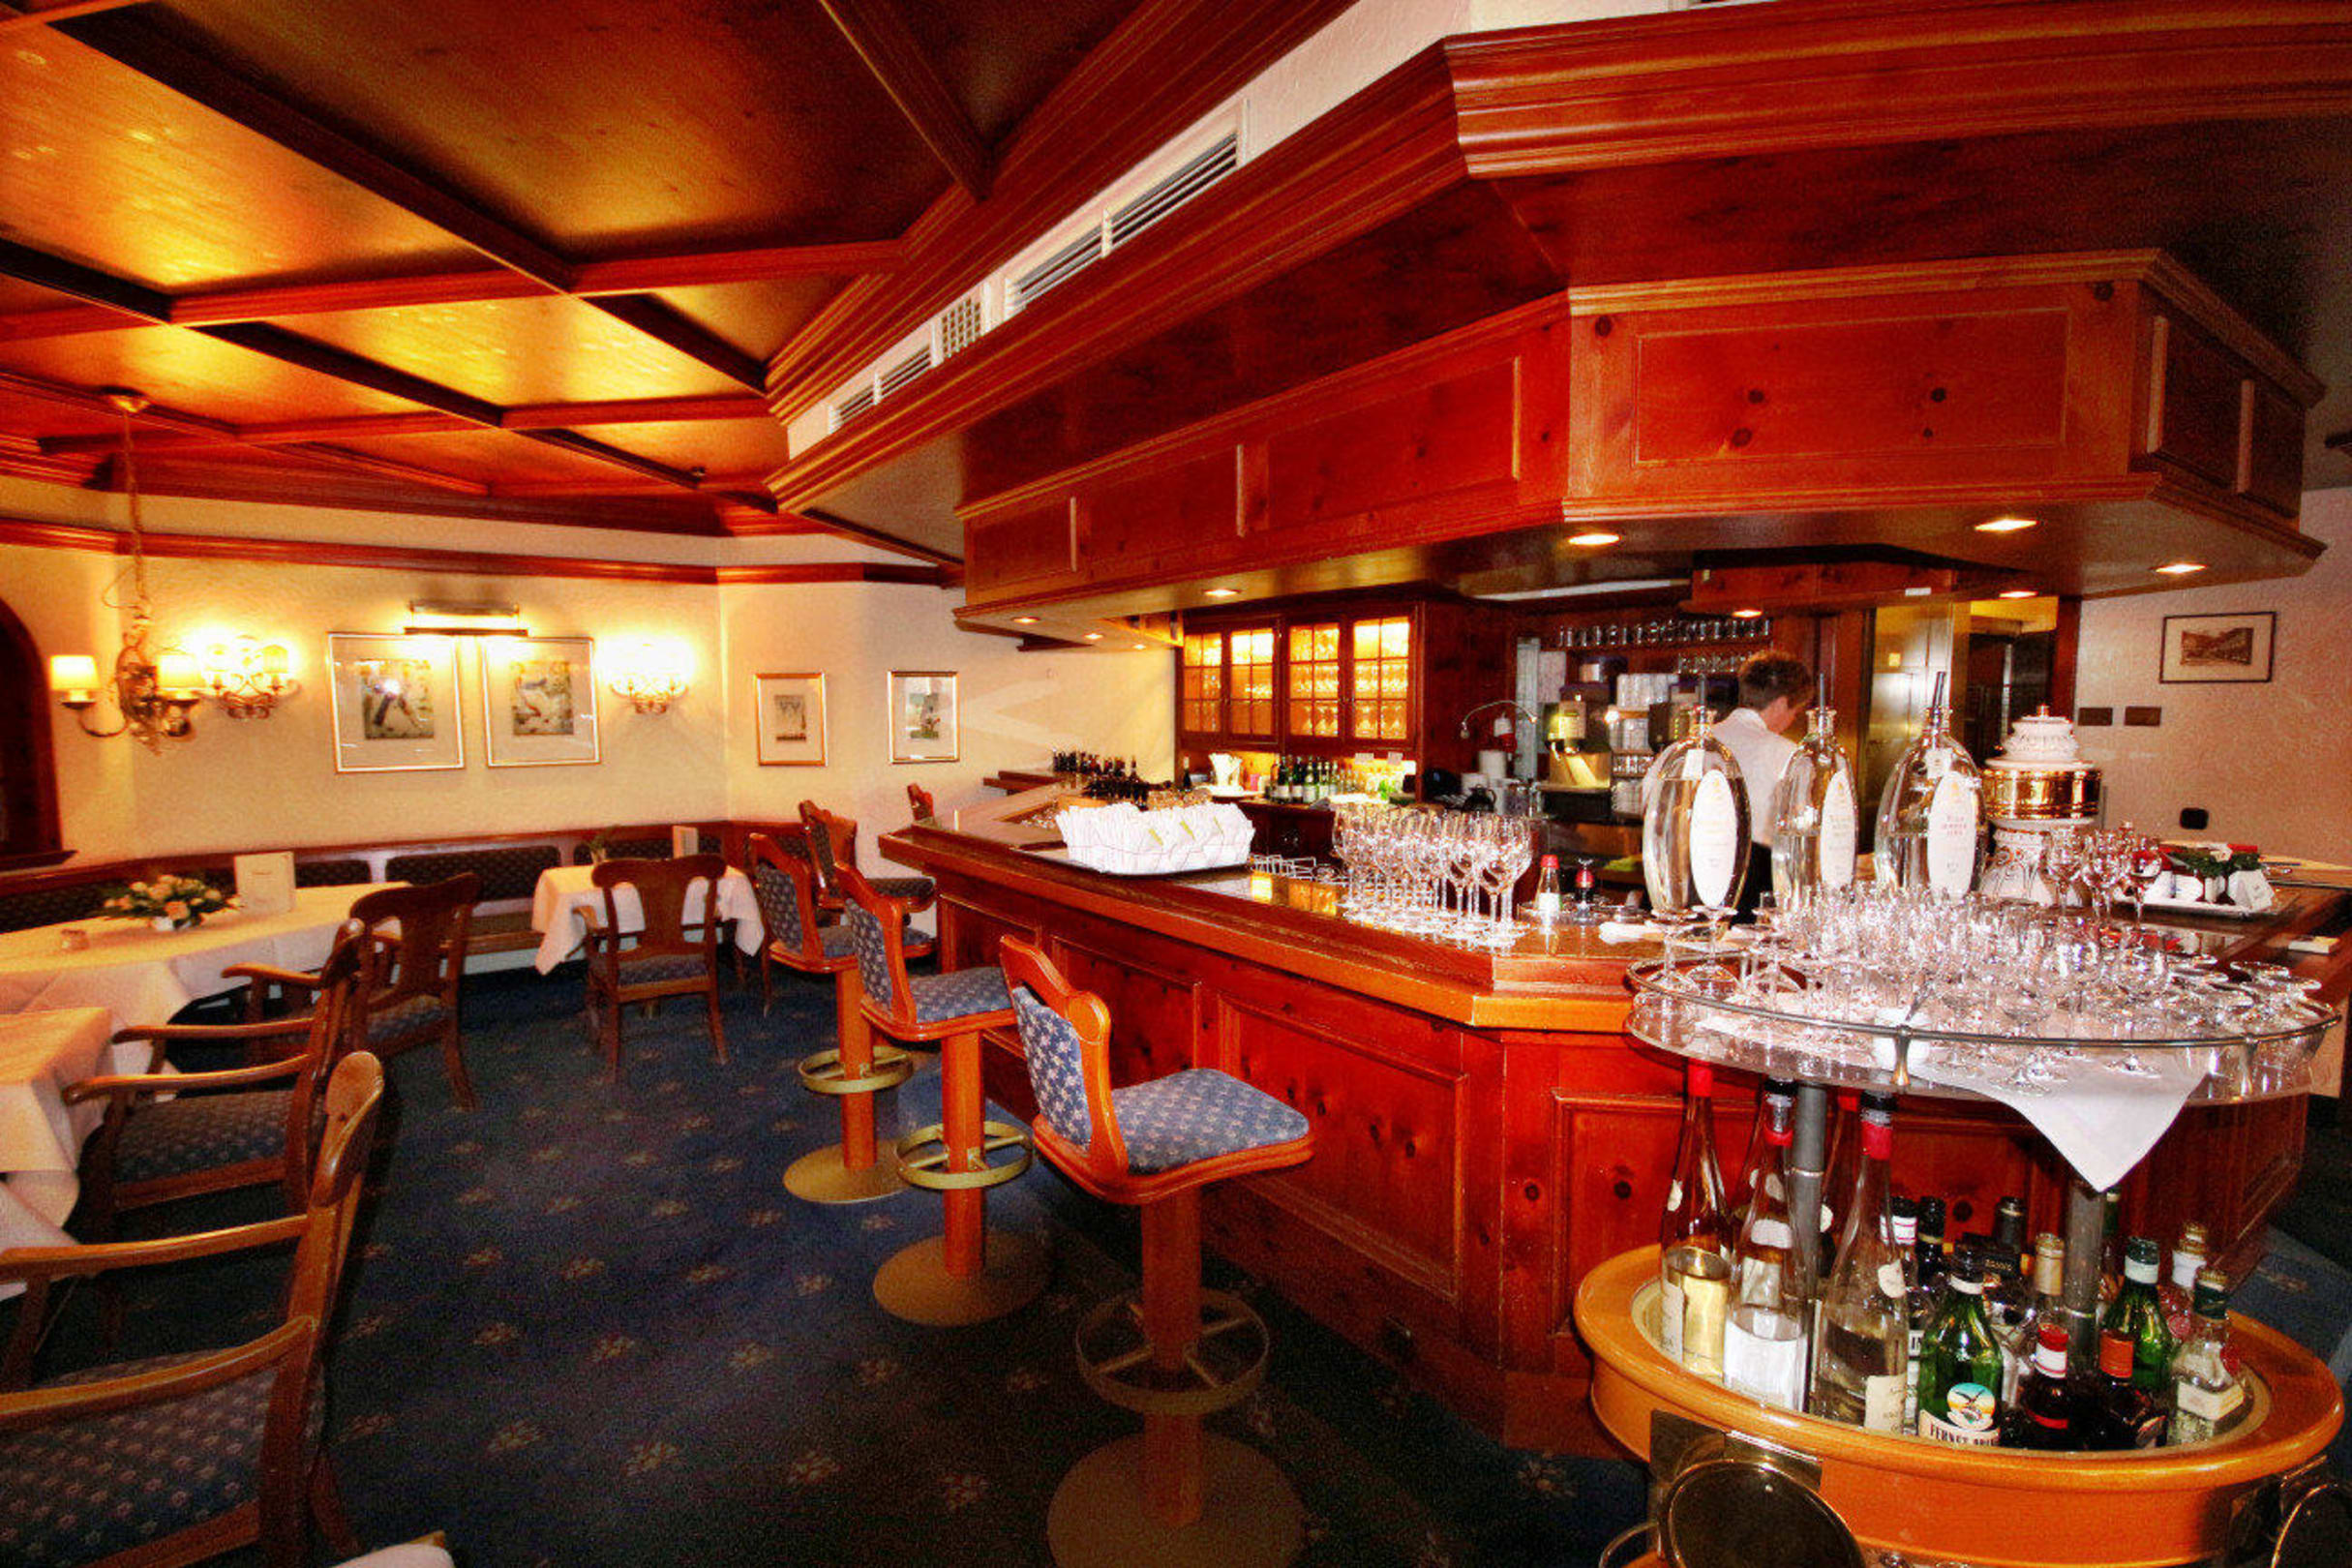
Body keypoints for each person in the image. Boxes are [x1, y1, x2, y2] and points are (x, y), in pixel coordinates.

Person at [1714, 649, 1813, 907]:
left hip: (1684, 889)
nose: (1792, 720)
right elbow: (1801, 829)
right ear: (1780, 704)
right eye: (1795, 712)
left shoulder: (1686, 745)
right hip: (1751, 895)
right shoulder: (1789, 755)